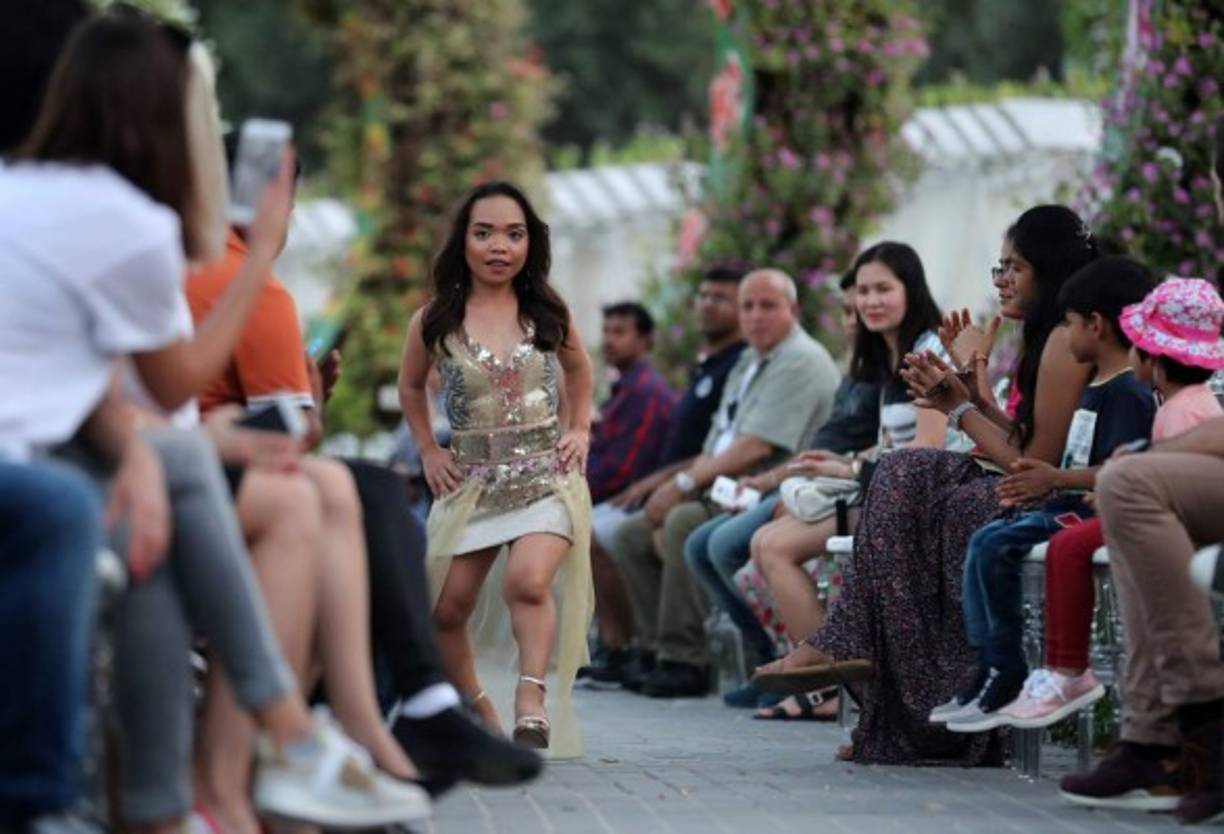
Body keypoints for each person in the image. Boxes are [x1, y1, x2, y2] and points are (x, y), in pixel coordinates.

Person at [0, 8, 428, 830]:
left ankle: (218, 789)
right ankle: (281, 748)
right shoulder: (127, 222)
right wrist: (260, 254)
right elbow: (171, 383)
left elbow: (86, 383)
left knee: (181, 494)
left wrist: (144, 453)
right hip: (41, 474)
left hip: (67, 457)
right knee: (274, 492)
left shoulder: (27, 191)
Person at [187, 136, 544, 795]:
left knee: (358, 498)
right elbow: (286, 437)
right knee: (359, 499)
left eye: (513, 234)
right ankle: (390, 713)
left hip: (186, 470)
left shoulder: (188, 270)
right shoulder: (253, 289)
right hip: (188, 483)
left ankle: (389, 716)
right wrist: (313, 403)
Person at [751, 205, 1098, 765]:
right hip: (1026, 483)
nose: (1003, 280)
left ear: (1050, 269)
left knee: (930, 492)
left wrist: (958, 404)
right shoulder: (1044, 337)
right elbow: (1021, 440)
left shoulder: (1061, 338)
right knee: (901, 473)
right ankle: (857, 657)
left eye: (1016, 267)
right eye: (998, 267)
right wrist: (973, 392)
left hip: (1055, 496)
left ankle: (848, 650)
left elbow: (1032, 468)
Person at [398, 181, 595, 756]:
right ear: (463, 242)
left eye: (514, 234)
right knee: (443, 610)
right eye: (483, 233)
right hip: (471, 483)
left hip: (545, 478)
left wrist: (577, 428)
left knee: (527, 582)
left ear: (531, 243)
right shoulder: (433, 320)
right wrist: (428, 451)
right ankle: (481, 713)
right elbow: (410, 388)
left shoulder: (549, 313)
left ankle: (530, 700)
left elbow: (580, 374)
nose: (499, 247)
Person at [934, 256, 1157, 732]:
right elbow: (1030, 441)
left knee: (994, 545)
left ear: (1095, 326)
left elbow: (1123, 472)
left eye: (1070, 323)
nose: (1065, 334)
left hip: (1081, 514)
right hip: (1064, 505)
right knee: (988, 537)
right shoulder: (1097, 387)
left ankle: (1006, 668)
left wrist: (1053, 480)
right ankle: (989, 666)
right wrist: (974, 402)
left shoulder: (1126, 395)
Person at [999, 278, 1224, 732]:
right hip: (1159, 516)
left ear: (1154, 358)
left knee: (1068, 547)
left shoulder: (1178, 411)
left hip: (1167, 525)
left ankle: (1068, 670)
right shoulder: (1180, 404)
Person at [741, 242, 952, 715]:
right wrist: (844, 460)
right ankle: (831, 676)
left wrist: (849, 468)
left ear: (911, 290)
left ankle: (832, 669)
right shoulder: (889, 352)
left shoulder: (929, 349)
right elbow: (894, 441)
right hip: (885, 491)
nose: (870, 301)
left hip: (922, 501)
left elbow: (930, 450)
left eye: (884, 289)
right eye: (863, 291)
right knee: (764, 541)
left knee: (774, 547)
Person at [613, 268, 841, 698]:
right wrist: (681, 482)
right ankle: (650, 649)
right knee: (632, 534)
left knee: (686, 527)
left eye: (768, 305)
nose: (755, 316)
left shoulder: (801, 360)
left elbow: (754, 447)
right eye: (748, 306)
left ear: (792, 309)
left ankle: (689, 659)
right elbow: (718, 442)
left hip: (776, 488)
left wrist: (681, 485)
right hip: (732, 487)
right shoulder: (749, 360)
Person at [581, 267, 746, 688]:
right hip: (668, 485)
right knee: (616, 532)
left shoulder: (660, 386)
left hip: (707, 489)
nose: (708, 304)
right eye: (703, 295)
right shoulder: (707, 369)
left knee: (604, 530)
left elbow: (627, 467)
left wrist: (664, 484)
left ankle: (663, 654)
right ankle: (650, 649)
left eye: (721, 297)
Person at [586, 302, 675, 504]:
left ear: (644, 340)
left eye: (619, 332)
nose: (608, 340)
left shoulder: (646, 392)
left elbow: (622, 472)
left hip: (624, 504)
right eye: (606, 331)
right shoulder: (625, 388)